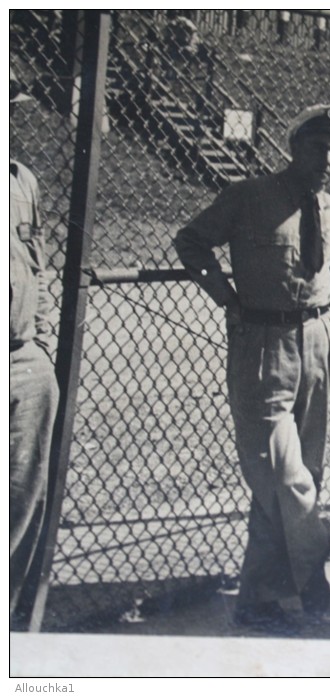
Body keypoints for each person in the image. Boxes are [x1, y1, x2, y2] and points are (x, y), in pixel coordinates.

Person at [175, 103, 330, 632]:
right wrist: (226, 297)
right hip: (264, 340)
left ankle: (258, 597)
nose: (327, 159)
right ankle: (310, 577)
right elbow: (191, 241)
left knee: (307, 472)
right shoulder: (248, 196)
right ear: (293, 146)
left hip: (320, 341)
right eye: (318, 147)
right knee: (284, 475)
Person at [10, 70, 60, 629]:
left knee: (21, 494)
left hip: (24, 359)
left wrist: (42, 342)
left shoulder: (22, 179)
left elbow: (40, 265)